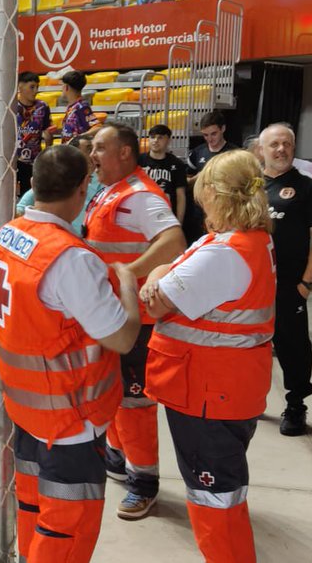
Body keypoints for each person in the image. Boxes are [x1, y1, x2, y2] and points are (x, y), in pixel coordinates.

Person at [0, 144, 141, 562]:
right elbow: (121, 338)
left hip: (28, 407)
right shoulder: (70, 258)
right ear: (82, 190)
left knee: (34, 508)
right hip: (72, 418)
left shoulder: (9, 234)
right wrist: (126, 281)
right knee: (67, 529)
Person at [139, 150, 275, 563]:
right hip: (224, 389)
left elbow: (156, 303)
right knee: (220, 493)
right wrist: (162, 275)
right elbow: (166, 273)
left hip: (208, 393)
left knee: (215, 499)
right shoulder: (245, 241)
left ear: (217, 197)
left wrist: (158, 279)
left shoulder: (224, 251)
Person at [84, 122, 186, 520]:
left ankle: (143, 483)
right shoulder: (110, 189)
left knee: (134, 402)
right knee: (113, 394)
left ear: (124, 152)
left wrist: (130, 272)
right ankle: (118, 457)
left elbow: (174, 242)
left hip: (136, 320)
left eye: (99, 147)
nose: (92, 154)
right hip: (111, 314)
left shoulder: (142, 196)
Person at [259, 123, 312, 436]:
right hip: (252, 283)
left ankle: (296, 404)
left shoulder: (308, 187)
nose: (281, 149)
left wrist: (307, 282)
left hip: (290, 283)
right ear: (261, 150)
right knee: (252, 344)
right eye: (274, 144)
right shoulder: (249, 187)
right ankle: (251, 399)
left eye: (287, 143)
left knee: (292, 346)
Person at [185, 110, 238, 243]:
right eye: (205, 135)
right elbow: (186, 181)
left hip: (225, 213)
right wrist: (199, 177)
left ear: (223, 129)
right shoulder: (197, 152)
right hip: (199, 212)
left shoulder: (235, 153)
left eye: (213, 134)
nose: (210, 139)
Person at [12, 71, 51, 197]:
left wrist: (48, 140)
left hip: (33, 161)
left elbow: (47, 130)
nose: (35, 91)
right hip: (13, 160)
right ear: (20, 87)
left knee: (28, 197)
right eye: (32, 87)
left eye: (37, 87)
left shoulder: (42, 107)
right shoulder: (11, 107)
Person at [139, 124, 190, 223]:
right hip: (142, 213)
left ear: (168, 140)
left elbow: (180, 196)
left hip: (166, 217)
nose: (155, 141)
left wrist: (179, 222)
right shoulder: (139, 161)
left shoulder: (177, 164)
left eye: (160, 137)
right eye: (152, 137)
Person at [54, 70, 96, 141]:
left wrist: (79, 137)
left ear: (66, 87)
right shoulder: (72, 107)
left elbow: (97, 127)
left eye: (62, 85)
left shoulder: (81, 106)